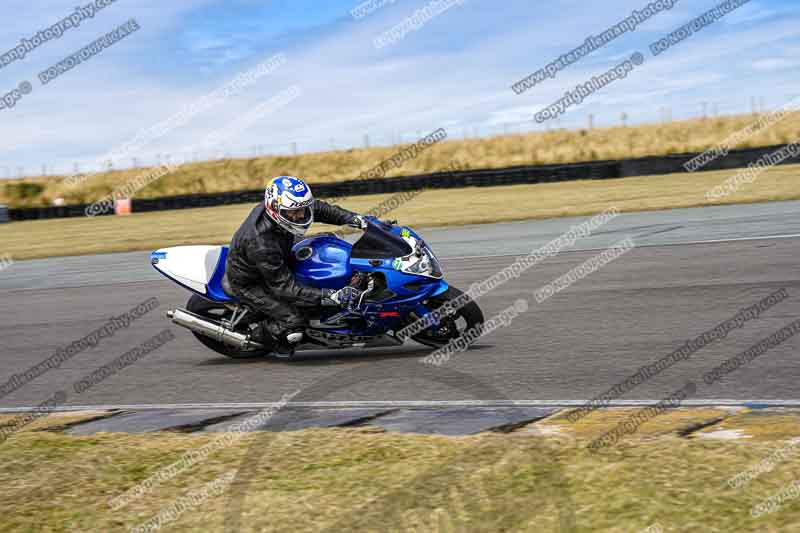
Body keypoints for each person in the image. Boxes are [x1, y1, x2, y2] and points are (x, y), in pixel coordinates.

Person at [225, 175, 368, 358]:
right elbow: (285, 288)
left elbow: (320, 209)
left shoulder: (286, 212)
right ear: (275, 209)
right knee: (294, 320)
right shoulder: (261, 243)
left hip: (277, 257)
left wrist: (356, 219)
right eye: (294, 212)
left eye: (302, 209)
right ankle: (265, 339)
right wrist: (330, 295)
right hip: (251, 282)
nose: (301, 215)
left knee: (325, 241)